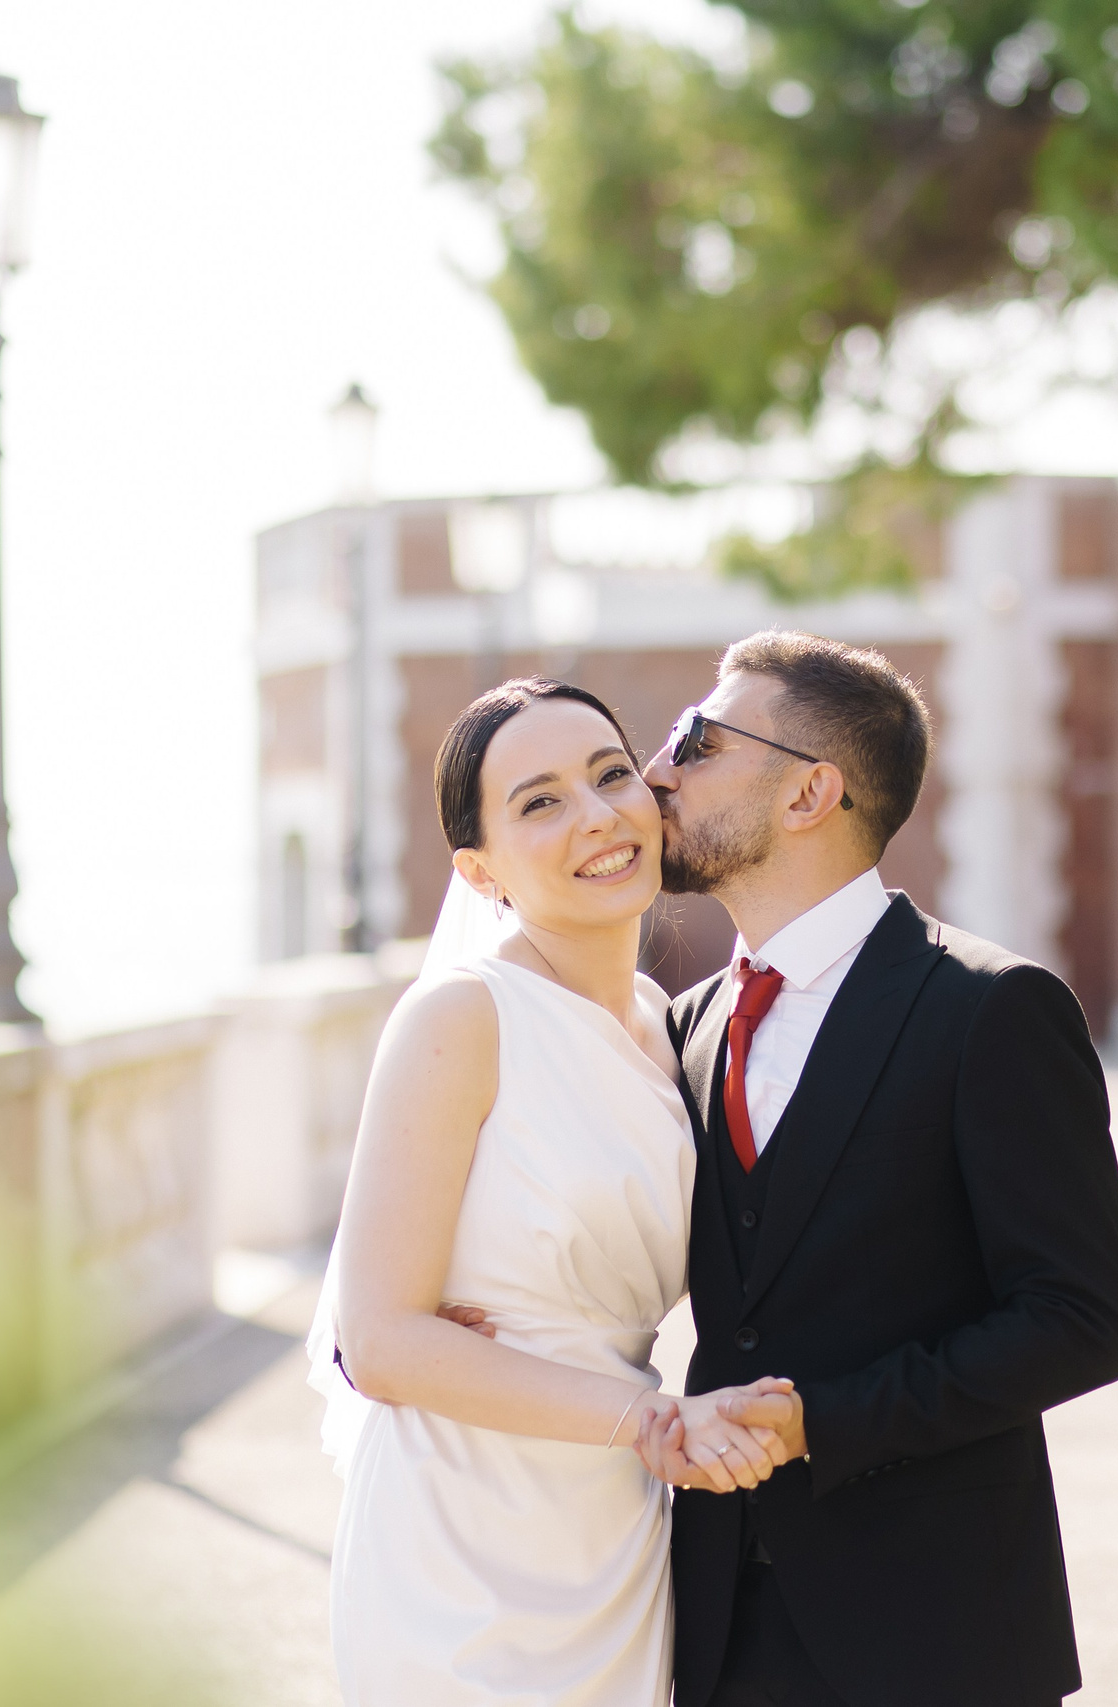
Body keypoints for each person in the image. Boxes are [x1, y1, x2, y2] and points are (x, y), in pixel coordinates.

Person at [633, 631, 1118, 1707]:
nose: (657, 770)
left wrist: (825, 1418)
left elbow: (1079, 1319)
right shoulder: (681, 1026)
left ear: (810, 793)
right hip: (719, 1625)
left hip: (938, 1633)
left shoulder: (992, 1010)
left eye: (696, 739)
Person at [308, 677, 791, 1707]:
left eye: (611, 775)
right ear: (479, 870)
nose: (596, 815)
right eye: (539, 801)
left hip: (611, 1538)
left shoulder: (668, 1030)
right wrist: (648, 1420)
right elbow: (383, 1340)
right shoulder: (462, 1018)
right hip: (457, 1541)